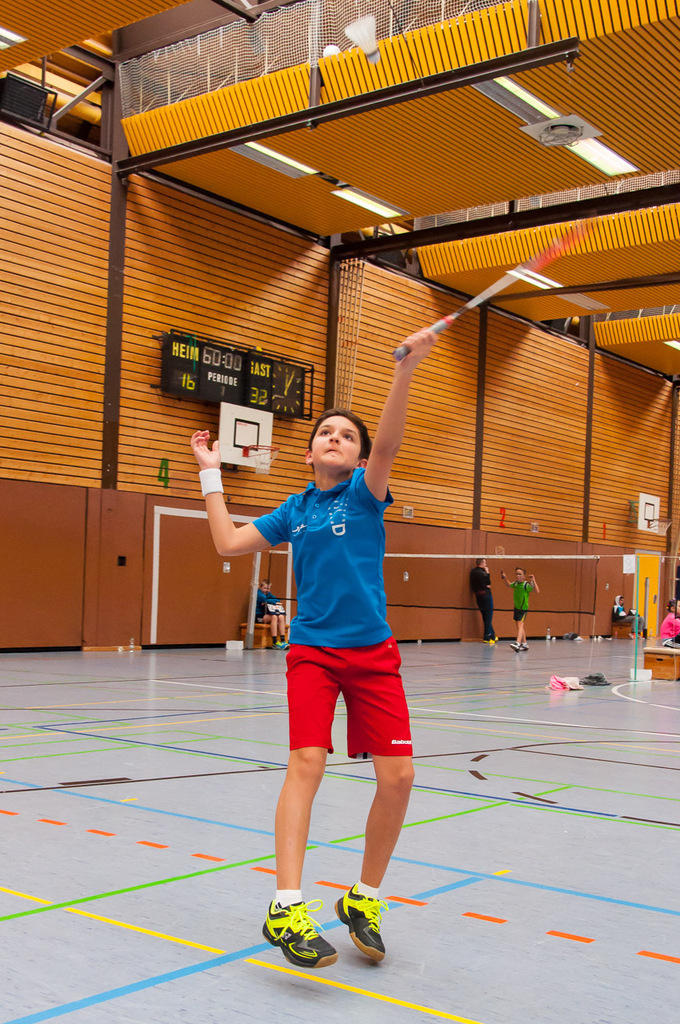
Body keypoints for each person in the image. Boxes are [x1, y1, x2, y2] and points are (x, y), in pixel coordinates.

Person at [190, 325, 436, 970]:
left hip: (374, 654)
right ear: (308, 453)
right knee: (307, 762)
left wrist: (405, 369)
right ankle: (287, 907)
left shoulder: (365, 494)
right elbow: (227, 544)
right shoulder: (293, 511)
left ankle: (364, 897)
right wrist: (211, 475)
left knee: (400, 777)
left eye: (347, 436)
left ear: (359, 458)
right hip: (314, 653)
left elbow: (389, 442)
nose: (336, 438)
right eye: (326, 432)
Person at [500, 566, 539, 651]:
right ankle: (524, 644)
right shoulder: (516, 584)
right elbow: (509, 584)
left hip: (523, 609)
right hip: (516, 608)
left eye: (520, 574)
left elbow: (536, 591)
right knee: (519, 626)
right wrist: (505, 578)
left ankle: (517, 643)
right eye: (516, 574)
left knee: (520, 625)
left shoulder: (526, 585)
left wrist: (533, 580)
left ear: (524, 576)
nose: (518, 575)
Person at [256, 579, 289, 649]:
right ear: (260, 587)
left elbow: (277, 599)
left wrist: (270, 601)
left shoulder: (268, 594)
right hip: (259, 616)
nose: (266, 590)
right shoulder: (259, 594)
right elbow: (264, 599)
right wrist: (271, 601)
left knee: (281, 616)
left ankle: (283, 640)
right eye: (265, 588)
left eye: (268, 588)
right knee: (274, 616)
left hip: (267, 614)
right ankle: (274, 642)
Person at [469, 557, 496, 643]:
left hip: (478, 596)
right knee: (488, 616)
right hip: (486, 595)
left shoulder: (473, 572)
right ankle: (487, 636)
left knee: (485, 616)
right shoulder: (483, 572)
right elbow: (488, 583)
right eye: (485, 562)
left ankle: (493, 635)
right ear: (481, 563)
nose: (486, 564)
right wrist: (488, 573)